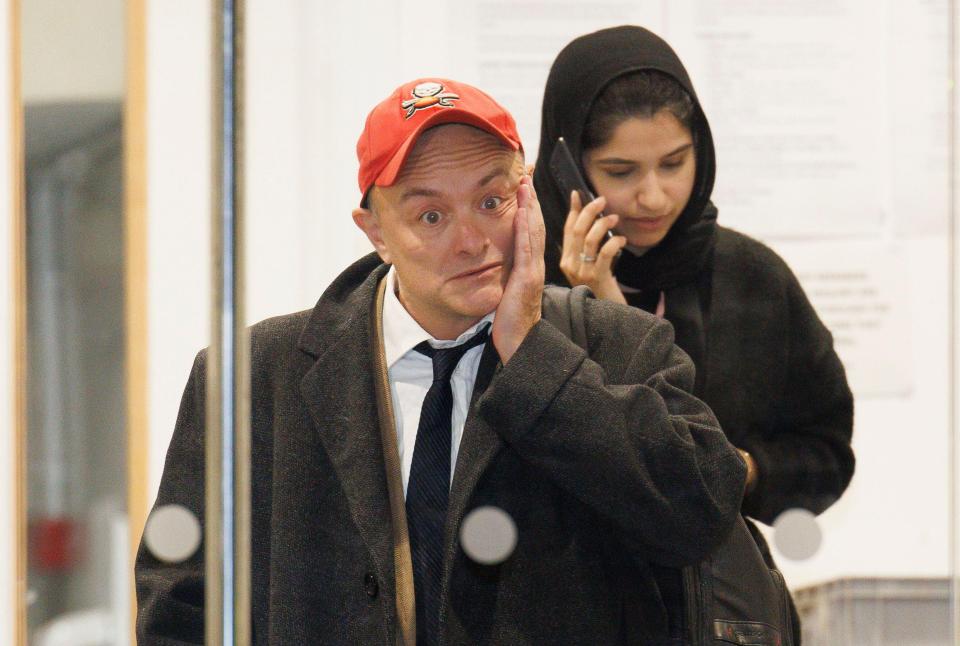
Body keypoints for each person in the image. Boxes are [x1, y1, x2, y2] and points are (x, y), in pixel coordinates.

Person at [136, 77, 747, 645]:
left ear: (527, 197)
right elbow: (177, 601)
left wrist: (534, 358)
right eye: (431, 215)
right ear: (375, 230)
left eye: (491, 201)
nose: (471, 240)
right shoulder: (254, 377)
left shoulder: (621, 345)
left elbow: (700, 512)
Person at [532, 24, 856, 639]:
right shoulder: (516, 283)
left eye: (675, 163)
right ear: (567, 164)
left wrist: (740, 469)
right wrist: (587, 308)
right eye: (621, 170)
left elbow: (826, 454)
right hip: (556, 613)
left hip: (711, 614)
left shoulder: (750, 278)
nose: (654, 195)